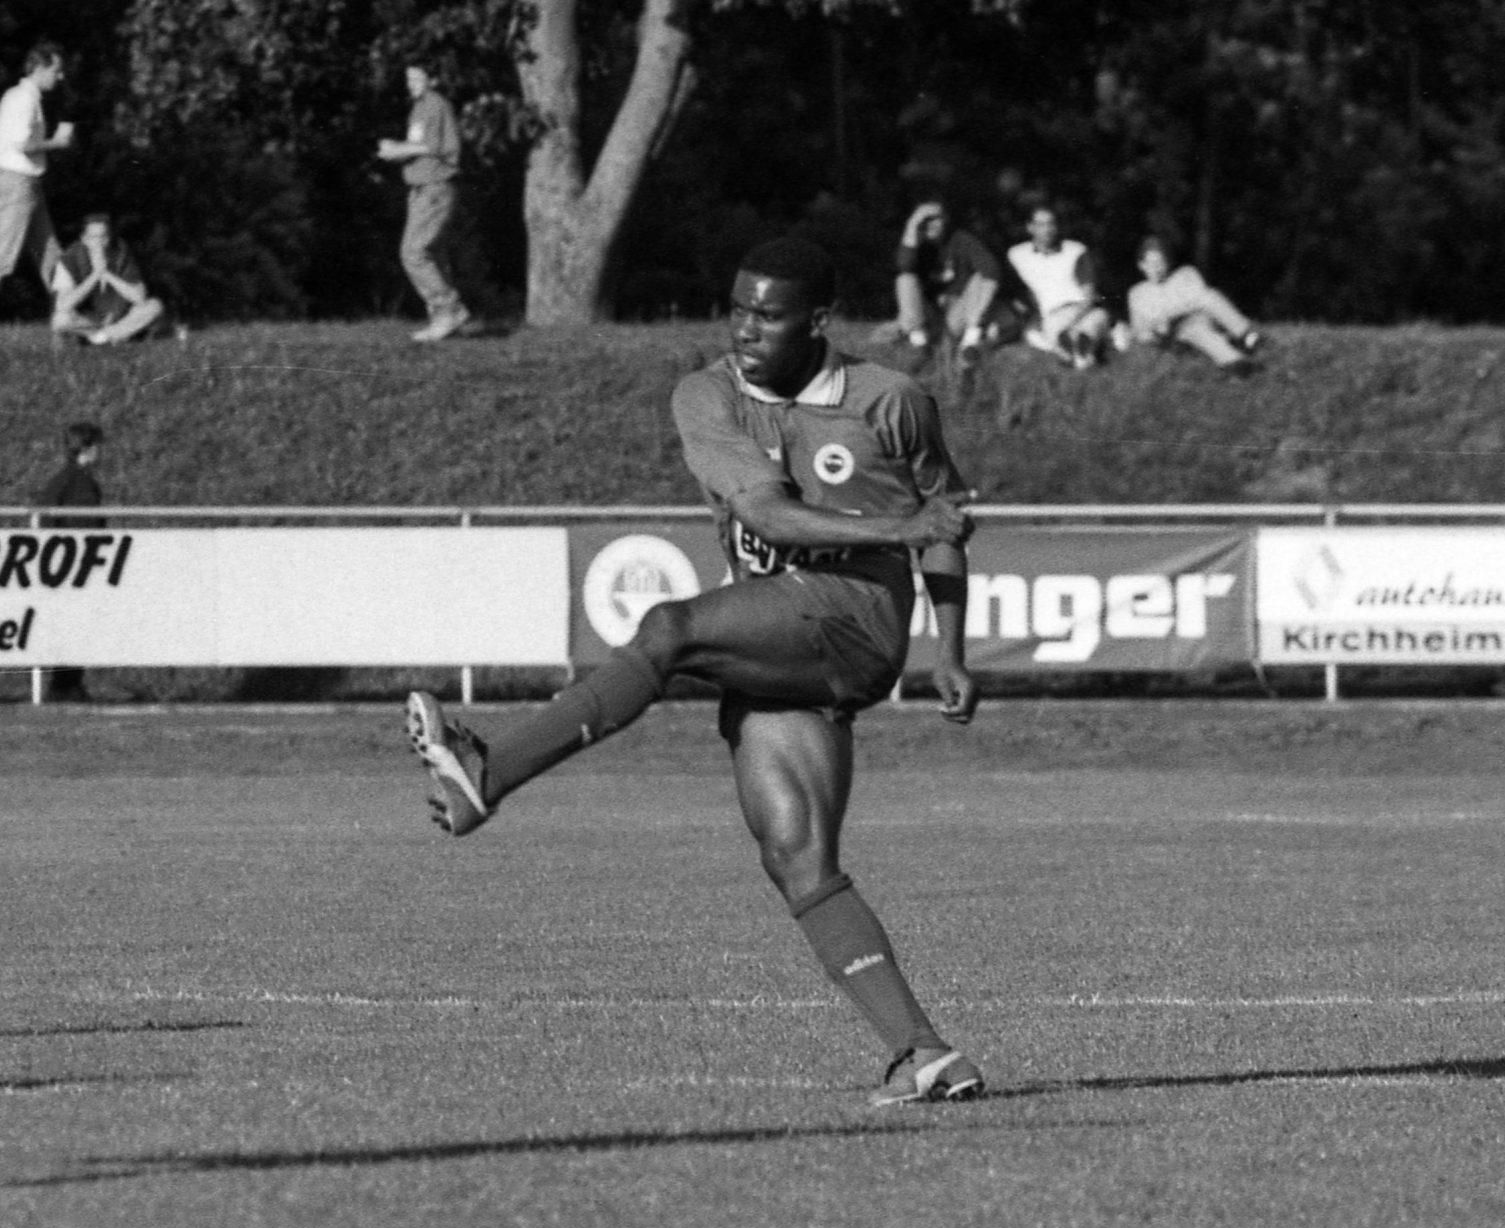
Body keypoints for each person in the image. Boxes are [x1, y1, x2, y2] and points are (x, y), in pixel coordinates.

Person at [404, 237, 990, 1108]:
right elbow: (769, 514)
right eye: (739, 307)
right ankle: (927, 1052)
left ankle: (486, 772)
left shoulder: (893, 401)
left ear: (818, 321)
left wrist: (949, 648)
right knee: (797, 856)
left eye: (768, 313)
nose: (745, 326)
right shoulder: (707, 394)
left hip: (855, 616)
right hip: (780, 623)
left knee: (670, 628)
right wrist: (903, 532)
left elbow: (940, 522)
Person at [0, 42, 76, 342]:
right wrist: (58, 143)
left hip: (23, 183)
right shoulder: (23, 100)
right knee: (3, 256)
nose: (59, 78)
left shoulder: (16, 97)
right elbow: (22, 146)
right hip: (21, 183)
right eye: (56, 71)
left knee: (52, 257)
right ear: (39, 68)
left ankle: (66, 322)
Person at [376, 64, 470, 343]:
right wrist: (398, 149)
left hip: (434, 188)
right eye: (408, 78)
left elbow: (438, 147)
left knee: (413, 252)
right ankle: (445, 320)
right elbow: (422, 146)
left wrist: (396, 150)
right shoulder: (420, 108)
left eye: (418, 77)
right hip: (422, 189)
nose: (411, 83)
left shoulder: (434, 105)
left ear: (433, 78)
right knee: (433, 253)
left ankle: (448, 310)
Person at [869, 199, 1002, 359]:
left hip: (957, 315)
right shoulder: (914, 243)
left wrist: (976, 316)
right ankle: (920, 344)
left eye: (935, 218)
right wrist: (912, 229)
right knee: (905, 278)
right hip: (926, 316)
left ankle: (970, 340)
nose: (931, 224)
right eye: (925, 219)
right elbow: (904, 266)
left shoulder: (961, 239)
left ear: (945, 219)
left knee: (983, 277)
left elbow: (992, 269)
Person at [33, 423, 107, 703]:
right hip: (73, 567)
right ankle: (66, 686)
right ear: (88, 449)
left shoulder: (62, 479)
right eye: (98, 446)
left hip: (57, 567)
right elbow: (85, 526)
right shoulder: (80, 483)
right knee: (73, 625)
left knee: (67, 626)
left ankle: (65, 684)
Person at [1124, 234, 1263, 371]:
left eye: (1161, 263)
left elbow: (1201, 297)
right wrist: (1157, 329)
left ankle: (1246, 334)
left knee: (1210, 297)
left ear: (1168, 262)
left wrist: (1172, 313)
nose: (1157, 269)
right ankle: (1235, 361)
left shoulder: (1185, 274)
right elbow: (1139, 329)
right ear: (1141, 265)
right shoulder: (1137, 293)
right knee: (1194, 329)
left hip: (1204, 318)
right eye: (1152, 264)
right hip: (1175, 333)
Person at [1004, 203, 1113, 369]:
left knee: (1090, 325)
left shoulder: (1075, 251)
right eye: (1041, 224)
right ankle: (1077, 351)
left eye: (1051, 223)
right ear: (1030, 227)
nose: (1047, 230)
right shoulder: (1017, 255)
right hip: (1052, 314)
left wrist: (1073, 318)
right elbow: (1014, 289)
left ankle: (1077, 349)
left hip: (1084, 308)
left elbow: (1088, 294)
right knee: (1049, 330)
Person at [50, 215, 174, 346]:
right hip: (88, 320)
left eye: (103, 237)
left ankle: (103, 337)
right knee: (60, 319)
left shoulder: (121, 254)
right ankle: (107, 336)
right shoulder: (69, 260)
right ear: (84, 239)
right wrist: (95, 275)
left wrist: (107, 274)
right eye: (93, 237)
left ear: (109, 238)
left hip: (119, 317)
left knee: (154, 306)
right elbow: (63, 304)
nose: (99, 242)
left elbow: (139, 297)